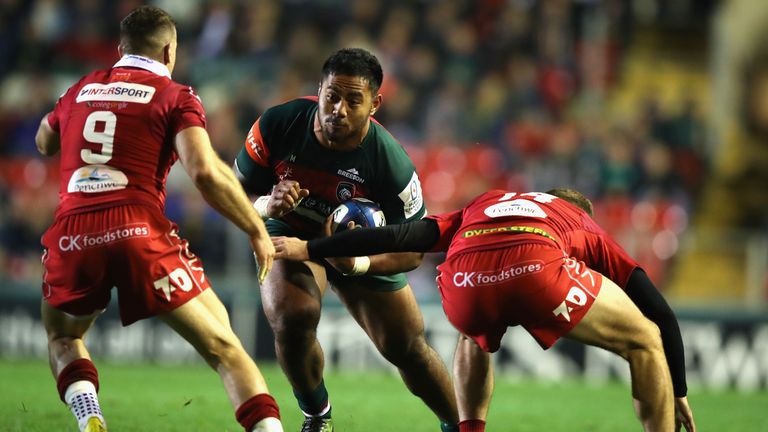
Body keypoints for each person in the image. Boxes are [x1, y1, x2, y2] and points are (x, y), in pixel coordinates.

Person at [35, 6, 282, 432]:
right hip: (137, 229)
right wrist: (256, 228)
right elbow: (203, 170)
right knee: (225, 349)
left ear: (120, 49)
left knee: (64, 336)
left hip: (73, 232)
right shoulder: (175, 96)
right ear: (169, 50)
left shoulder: (80, 89)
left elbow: (44, 140)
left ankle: (89, 415)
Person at [272, 188, 697, 432]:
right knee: (644, 340)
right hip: (539, 272)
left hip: (464, 285)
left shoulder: (484, 203)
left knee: (474, 334)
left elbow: (400, 235)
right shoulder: (581, 222)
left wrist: (312, 247)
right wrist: (676, 389)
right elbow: (659, 310)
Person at [233, 47, 458, 432]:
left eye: (354, 100)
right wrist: (265, 205)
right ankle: (318, 418)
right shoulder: (278, 124)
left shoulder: (392, 164)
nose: (339, 109)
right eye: (332, 96)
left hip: (362, 246)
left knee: (405, 347)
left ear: (375, 104)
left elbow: (413, 251)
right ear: (319, 89)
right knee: (292, 315)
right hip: (290, 230)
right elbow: (231, 193)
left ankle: (461, 427)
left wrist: (358, 263)